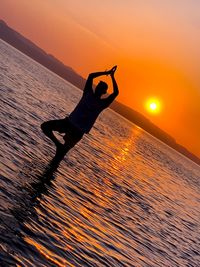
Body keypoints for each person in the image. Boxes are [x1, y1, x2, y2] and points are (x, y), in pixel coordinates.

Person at [41, 65, 119, 159]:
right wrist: (107, 73)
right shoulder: (88, 94)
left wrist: (111, 76)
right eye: (98, 86)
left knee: (60, 155)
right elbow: (91, 76)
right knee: (45, 126)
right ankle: (58, 145)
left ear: (103, 92)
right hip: (69, 123)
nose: (98, 88)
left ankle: (58, 151)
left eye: (100, 87)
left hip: (77, 131)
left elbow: (115, 93)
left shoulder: (101, 103)